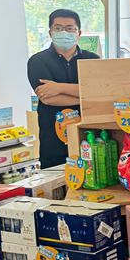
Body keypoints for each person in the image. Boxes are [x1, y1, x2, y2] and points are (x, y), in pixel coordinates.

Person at [27, 9, 100, 169]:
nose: (64, 32)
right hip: (53, 140)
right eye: (58, 28)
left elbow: (99, 93)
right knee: (57, 179)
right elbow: (48, 98)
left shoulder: (92, 60)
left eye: (69, 28)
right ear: (50, 32)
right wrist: (86, 96)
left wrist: (58, 87)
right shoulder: (37, 61)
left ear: (79, 33)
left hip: (90, 137)